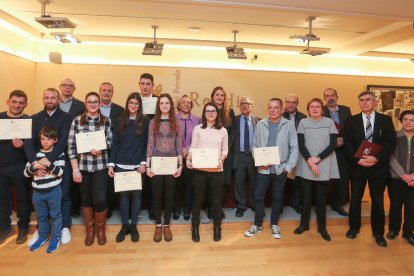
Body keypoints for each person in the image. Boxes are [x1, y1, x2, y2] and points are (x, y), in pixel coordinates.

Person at [343, 91, 396, 247]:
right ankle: (354, 228)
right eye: (361, 100)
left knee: (378, 201)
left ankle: (378, 232)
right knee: (355, 200)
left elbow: (390, 143)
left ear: (375, 102)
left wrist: (377, 158)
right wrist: (358, 159)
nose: (364, 103)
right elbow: (347, 143)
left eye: (368, 100)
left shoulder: (385, 120)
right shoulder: (351, 121)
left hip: (377, 168)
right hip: (357, 168)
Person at [244, 98, 298, 239]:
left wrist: (288, 167)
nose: (273, 110)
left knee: (277, 196)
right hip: (263, 168)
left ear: (281, 109)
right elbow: (254, 145)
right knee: (258, 196)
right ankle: (258, 223)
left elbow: (294, 148)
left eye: (276, 107)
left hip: (280, 169)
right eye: (270, 107)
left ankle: (274, 224)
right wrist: (260, 161)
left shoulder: (289, 125)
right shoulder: (261, 124)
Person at [25, 88, 72, 246]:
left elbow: (63, 142)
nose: (50, 100)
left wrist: (48, 161)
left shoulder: (66, 117)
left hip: (59, 161)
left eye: (53, 98)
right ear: (43, 99)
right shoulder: (35, 118)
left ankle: (65, 227)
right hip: (38, 165)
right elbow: (29, 143)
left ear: (59, 100)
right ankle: (42, 229)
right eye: (47, 97)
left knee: (64, 195)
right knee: (40, 198)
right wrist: (35, 163)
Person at [67, 91, 113, 246]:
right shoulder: (76, 121)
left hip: (100, 166)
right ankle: (90, 230)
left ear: (99, 103)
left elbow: (111, 141)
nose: (93, 104)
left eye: (95, 102)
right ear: (85, 104)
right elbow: (71, 147)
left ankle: (100, 229)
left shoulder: (106, 121)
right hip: (83, 167)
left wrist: (103, 148)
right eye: (89, 102)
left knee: (100, 199)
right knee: (86, 199)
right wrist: (75, 170)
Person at [294, 98, 339, 241]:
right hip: (307, 164)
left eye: (317, 106)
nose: (314, 108)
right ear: (308, 109)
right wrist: (310, 160)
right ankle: (304, 225)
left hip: (324, 163)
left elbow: (332, 145)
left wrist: (317, 159)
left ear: (322, 109)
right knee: (305, 198)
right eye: (312, 106)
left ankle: (322, 228)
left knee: (321, 199)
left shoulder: (329, 123)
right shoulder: (303, 122)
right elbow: (300, 144)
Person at [108, 92, 149, 243]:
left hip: (138, 166)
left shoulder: (145, 121)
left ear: (140, 106)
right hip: (120, 164)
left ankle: (133, 226)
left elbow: (146, 144)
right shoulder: (119, 120)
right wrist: (111, 164)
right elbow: (115, 144)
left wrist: (144, 163)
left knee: (137, 197)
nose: (133, 106)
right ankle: (125, 225)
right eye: (131, 103)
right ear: (127, 104)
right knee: (123, 197)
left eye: (136, 104)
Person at [186, 101, 228, 242]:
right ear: (204, 113)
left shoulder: (223, 130)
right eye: (208, 111)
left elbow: (225, 150)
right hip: (199, 171)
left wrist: (221, 159)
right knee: (197, 201)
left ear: (217, 114)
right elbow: (193, 147)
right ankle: (195, 227)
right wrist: (188, 159)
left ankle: (217, 227)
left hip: (216, 171)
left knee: (216, 201)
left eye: (213, 111)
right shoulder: (198, 129)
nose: (210, 113)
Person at [146, 93, 183, 242]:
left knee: (169, 196)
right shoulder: (153, 122)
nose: (164, 105)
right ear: (158, 105)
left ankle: (166, 225)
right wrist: (148, 165)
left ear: (171, 105)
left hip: (171, 164)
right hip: (156, 164)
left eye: (167, 103)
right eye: (162, 103)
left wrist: (181, 165)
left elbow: (179, 145)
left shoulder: (176, 122)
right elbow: (150, 143)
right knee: (157, 195)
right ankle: (158, 225)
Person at [24, 126, 65, 253]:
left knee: (55, 216)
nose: (45, 142)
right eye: (43, 139)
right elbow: (26, 173)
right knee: (41, 217)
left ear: (55, 140)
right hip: (37, 192)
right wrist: (35, 167)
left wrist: (48, 164)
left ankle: (56, 237)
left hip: (53, 191)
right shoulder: (34, 155)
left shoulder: (59, 154)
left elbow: (60, 172)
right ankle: (43, 237)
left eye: (49, 139)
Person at [0, 90, 31, 245]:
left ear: (25, 105)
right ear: (8, 102)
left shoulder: (28, 121)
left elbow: (33, 146)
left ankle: (23, 228)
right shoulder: (0, 118)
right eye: (14, 101)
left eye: (21, 102)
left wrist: (23, 145)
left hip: (21, 166)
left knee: (22, 199)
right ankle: (5, 228)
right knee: (2, 199)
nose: (17, 105)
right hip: (1, 166)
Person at [323, 88, 352, 216]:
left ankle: (338, 204)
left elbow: (351, 129)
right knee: (324, 178)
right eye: (327, 96)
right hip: (325, 150)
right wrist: (333, 143)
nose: (330, 98)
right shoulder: (320, 111)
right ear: (324, 98)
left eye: (332, 95)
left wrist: (343, 140)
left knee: (342, 178)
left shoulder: (346, 110)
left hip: (343, 150)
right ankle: (321, 204)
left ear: (337, 97)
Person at [58, 78, 84, 220]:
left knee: (74, 179)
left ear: (74, 88)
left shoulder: (81, 105)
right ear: (60, 87)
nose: (67, 88)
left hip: (76, 146)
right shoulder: (53, 103)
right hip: (55, 147)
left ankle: (74, 209)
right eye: (64, 85)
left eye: (70, 86)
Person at [388, 110, 414, 246]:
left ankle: (408, 232)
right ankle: (393, 229)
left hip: (413, 181)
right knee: (395, 205)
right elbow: (391, 158)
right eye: (405, 119)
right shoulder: (395, 136)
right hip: (396, 179)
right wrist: (403, 175)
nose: (408, 122)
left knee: (411, 207)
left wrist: (412, 177)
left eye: (411, 120)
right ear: (401, 121)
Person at [99, 82, 124, 219]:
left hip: (113, 149)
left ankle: (110, 208)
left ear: (112, 93)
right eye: (104, 90)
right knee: (100, 181)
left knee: (111, 181)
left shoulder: (120, 110)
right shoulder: (92, 108)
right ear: (99, 92)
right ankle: (101, 207)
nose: (106, 92)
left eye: (109, 90)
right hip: (95, 151)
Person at [173, 95, 200, 221]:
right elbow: (170, 136)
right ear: (179, 105)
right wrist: (180, 149)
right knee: (176, 184)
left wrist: (187, 149)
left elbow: (199, 137)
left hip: (191, 157)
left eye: (189, 103)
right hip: (174, 156)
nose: (186, 104)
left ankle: (187, 209)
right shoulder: (172, 118)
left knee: (190, 185)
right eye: (183, 102)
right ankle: (177, 208)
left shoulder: (197, 120)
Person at [211, 86, 235, 218]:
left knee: (224, 182)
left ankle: (218, 209)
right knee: (212, 181)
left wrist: (226, 148)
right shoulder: (209, 110)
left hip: (226, 154)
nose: (220, 97)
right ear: (213, 96)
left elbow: (233, 132)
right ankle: (211, 209)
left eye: (222, 95)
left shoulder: (229, 111)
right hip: (211, 153)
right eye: (217, 95)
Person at [233, 96, 260, 217]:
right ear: (239, 106)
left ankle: (254, 204)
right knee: (239, 182)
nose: (245, 105)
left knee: (255, 182)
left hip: (254, 157)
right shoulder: (234, 120)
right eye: (242, 103)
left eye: (247, 104)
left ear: (252, 106)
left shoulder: (258, 120)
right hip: (239, 156)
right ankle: (241, 206)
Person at [282, 93, 306, 214]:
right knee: (281, 180)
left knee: (298, 180)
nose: (291, 104)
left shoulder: (303, 117)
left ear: (297, 104)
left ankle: (296, 204)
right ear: (285, 103)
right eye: (289, 102)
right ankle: (280, 204)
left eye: (293, 102)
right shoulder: (279, 115)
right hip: (282, 153)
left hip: (298, 152)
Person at [139, 73, 157, 220]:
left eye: (148, 84)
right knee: (139, 178)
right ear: (139, 84)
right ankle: (137, 208)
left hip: (154, 145)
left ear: (153, 85)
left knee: (152, 179)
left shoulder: (158, 101)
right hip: (137, 144)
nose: (145, 86)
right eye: (143, 83)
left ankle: (152, 208)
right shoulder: (134, 100)